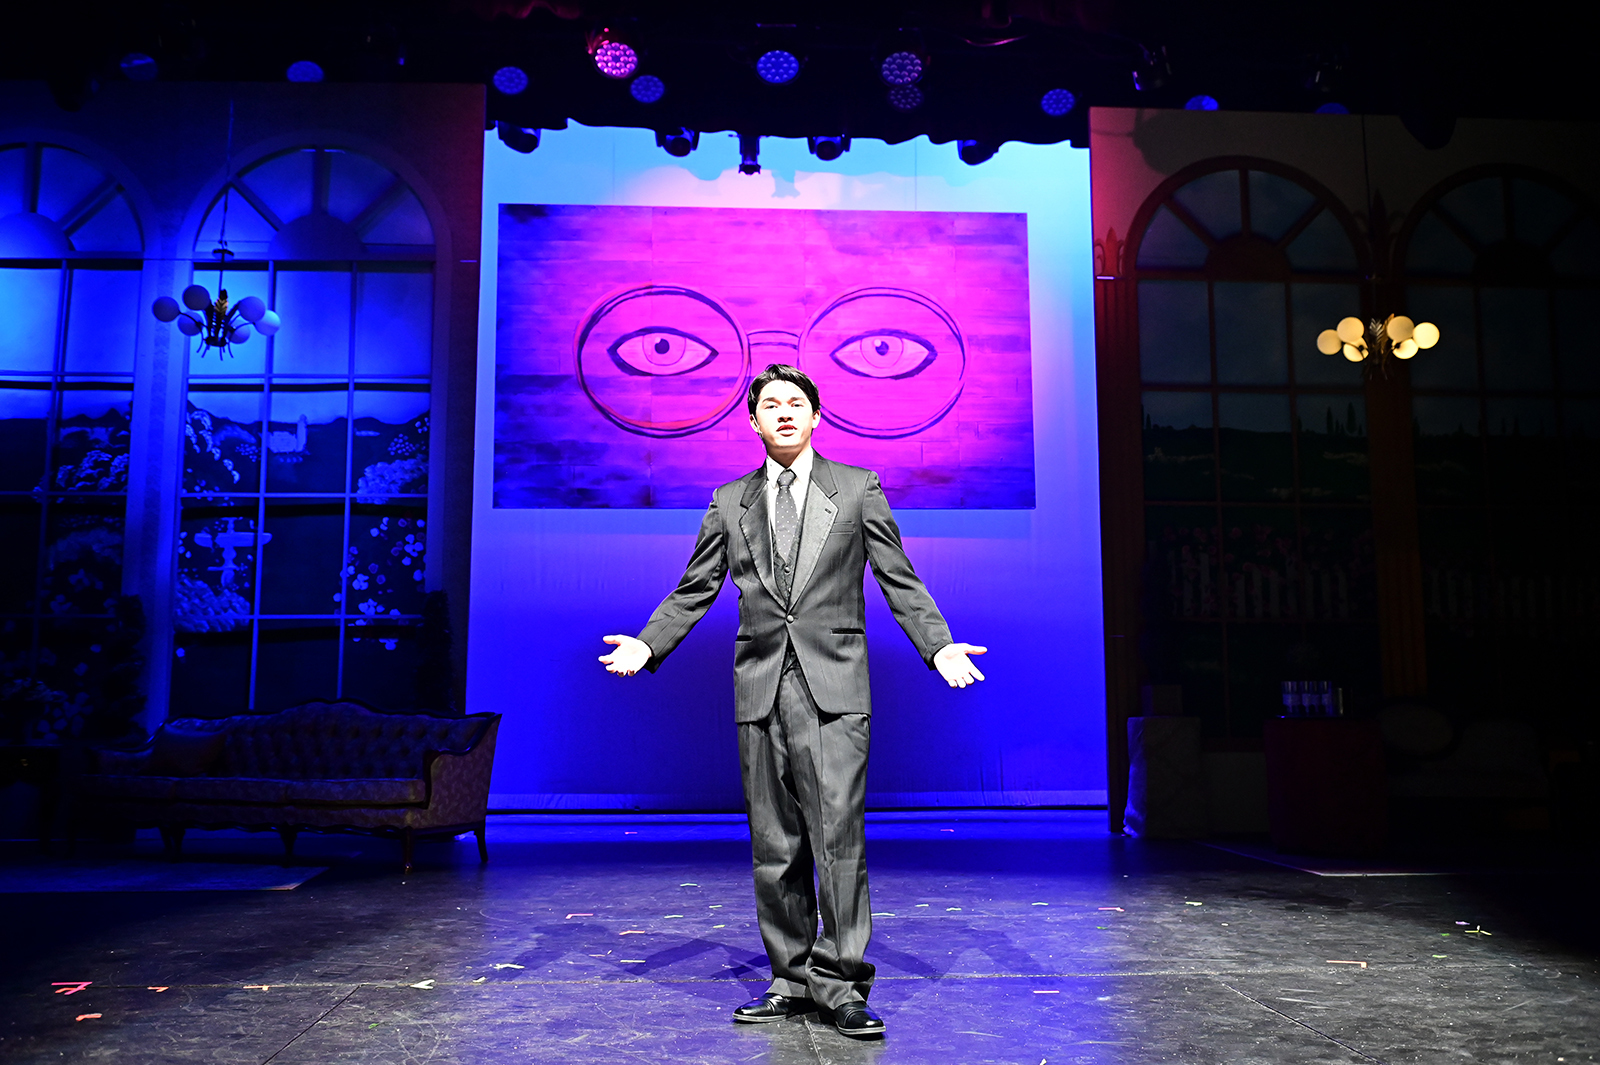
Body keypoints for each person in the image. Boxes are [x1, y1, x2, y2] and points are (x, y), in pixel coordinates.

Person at [598, 363, 986, 1039]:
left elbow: (899, 579)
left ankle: (842, 983)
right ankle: (791, 977)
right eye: (770, 403)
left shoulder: (857, 488)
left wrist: (939, 645)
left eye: (796, 402)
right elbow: (695, 588)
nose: (783, 411)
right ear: (752, 420)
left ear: (815, 416)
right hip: (760, 687)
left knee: (837, 838)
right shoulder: (730, 501)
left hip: (833, 687)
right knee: (774, 845)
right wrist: (650, 642)